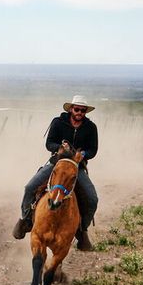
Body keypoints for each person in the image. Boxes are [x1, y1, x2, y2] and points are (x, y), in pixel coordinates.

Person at [12, 95, 99, 251]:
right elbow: (49, 143)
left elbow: (93, 150)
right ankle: (25, 219)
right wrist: (59, 148)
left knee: (92, 198)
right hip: (57, 163)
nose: (79, 112)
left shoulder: (91, 127)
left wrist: (83, 154)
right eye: (77, 109)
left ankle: (82, 230)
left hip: (76, 167)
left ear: (85, 112)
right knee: (30, 187)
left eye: (83, 110)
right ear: (71, 109)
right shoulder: (58, 123)